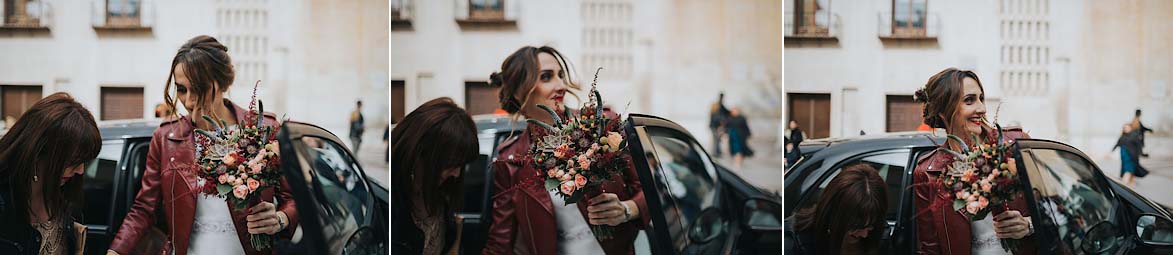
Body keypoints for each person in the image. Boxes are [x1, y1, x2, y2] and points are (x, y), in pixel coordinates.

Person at [108, 35, 298, 255]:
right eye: (181, 89)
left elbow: (293, 198)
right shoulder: (164, 138)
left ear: (223, 83)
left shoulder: (264, 130)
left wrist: (281, 218)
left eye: (197, 88)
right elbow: (143, 208)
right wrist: (115, 251)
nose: (188, 101)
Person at [483, 46, 650, 255]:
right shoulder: (510, 160)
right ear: (518, 92)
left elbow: (651, 192)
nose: (561, 85)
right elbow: (500, 241)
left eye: (561, 75)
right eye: (546, 77)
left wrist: (626, 210)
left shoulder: (600, 125)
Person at [911, 68, 1037, 255]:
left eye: (981, 98)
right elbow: (930, 249)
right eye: (969, 100)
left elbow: (1055, 209)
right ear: (944, 111)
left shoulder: (1014, 147)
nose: (982, 108)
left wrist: (1028, 225)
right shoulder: (927, 173)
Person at [0, 93, 101, 255]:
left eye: (84, 162)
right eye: (72, 161)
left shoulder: (68, 204)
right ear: (38, 151)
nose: (80, 170)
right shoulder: (4, 203)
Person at [390, 97, 479, 254]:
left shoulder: (443, 195)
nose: (456, 174)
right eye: (450, 164)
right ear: (421, 154)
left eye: (461, 166)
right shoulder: (392, 200)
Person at [786, 163, 888, 255]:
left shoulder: (879, 236)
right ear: (833, 214)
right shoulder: (792, 242)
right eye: (856, 226)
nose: (864, 234)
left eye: (870, 226)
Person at [709, 93, 730, 158]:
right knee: (716, 139)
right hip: (716, 127)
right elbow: (719, 118)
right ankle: (716, 153)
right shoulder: (718, 108)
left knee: (717, 139)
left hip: (714, 126)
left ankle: (716, 152)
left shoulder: (717, 108)